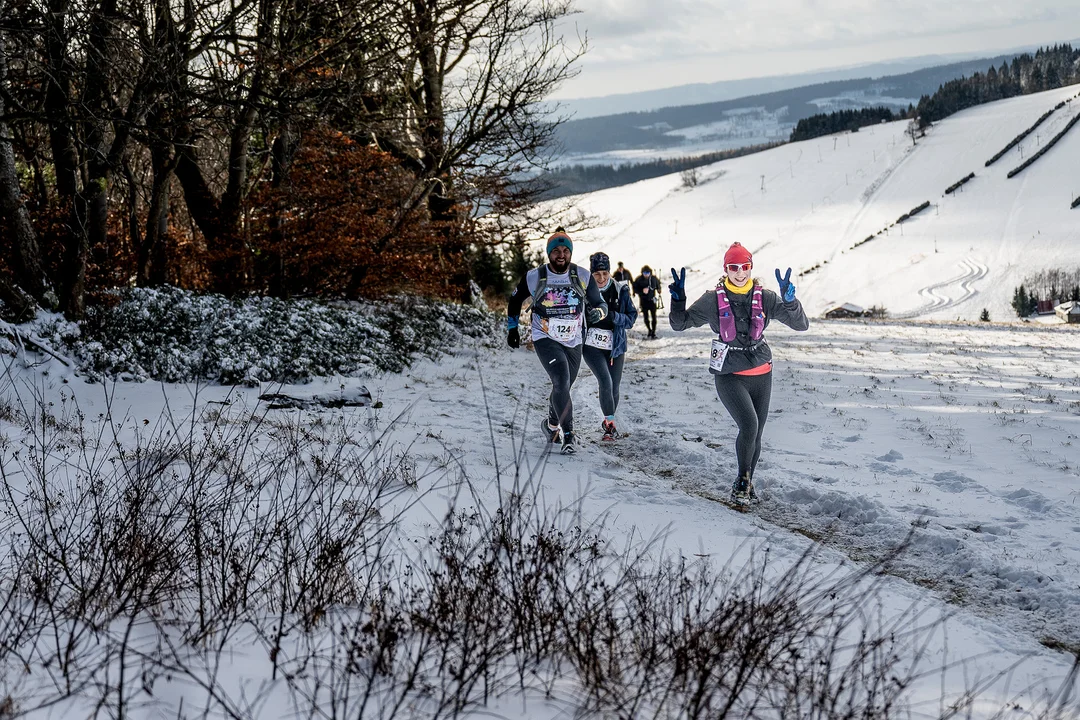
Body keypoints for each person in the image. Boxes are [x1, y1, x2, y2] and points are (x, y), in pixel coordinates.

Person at [667, 242, 809, 505]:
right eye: (734, 267)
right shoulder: (712, 300)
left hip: (762, 372)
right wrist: (678, 300)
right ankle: (742, 481)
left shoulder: (765, 297)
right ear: (726, 269)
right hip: (730, 373)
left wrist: (790, 302)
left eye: (744, 267)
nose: (740, 272)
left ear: (751, 267)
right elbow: (680, 324)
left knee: (756, 433)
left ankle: (747, 483)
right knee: (749, 425)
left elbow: (801, 325)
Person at [507, 227, 609, 455]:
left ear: (571, 253)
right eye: (556, 251)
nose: (561, 255)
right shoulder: (535, 276)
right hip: (545, 337)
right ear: (548, 253)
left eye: (565, 250)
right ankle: (569, 435)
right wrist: (512, 328)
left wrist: (598, 314)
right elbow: (514, 301)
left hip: (574, 339)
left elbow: (601, 304)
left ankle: (551, 425)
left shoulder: (582, 276)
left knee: (562, 386)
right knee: (561, 380)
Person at [582, 252, 638, 441]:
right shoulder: (584, 291)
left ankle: (609, 422)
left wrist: (614, 317)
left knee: (614, 387)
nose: (602, 278)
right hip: (591, 346)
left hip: (615, 346)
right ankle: (610, 425)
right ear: (591, 274)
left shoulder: (620, 290)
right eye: (597, 274)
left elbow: (631, 318)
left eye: (605, 273)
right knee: (605, 381)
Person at [633, 265, 662, 339]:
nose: (646, 275)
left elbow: (658, 284)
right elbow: (635, 289)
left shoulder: (653, 278)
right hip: (643, 301)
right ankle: (649, 330)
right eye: (645, 273)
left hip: (652, 300)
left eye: (647, 273)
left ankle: (653, 332)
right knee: (646, 317)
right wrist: (641, 291)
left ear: (650, 273)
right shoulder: (639, 279)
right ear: (642, 273)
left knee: (654, 317)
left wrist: (659, 289)